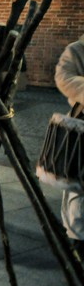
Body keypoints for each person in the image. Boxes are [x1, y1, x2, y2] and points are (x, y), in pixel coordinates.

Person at [54, 35, 84, 259]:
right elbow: (63, 78)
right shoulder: (76, 49)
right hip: (81, 126)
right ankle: (77, 237)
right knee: (77, 186)